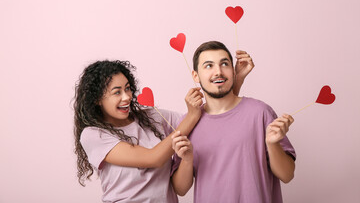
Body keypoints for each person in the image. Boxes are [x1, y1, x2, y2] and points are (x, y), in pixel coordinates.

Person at [73, 56, 251, 203]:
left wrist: (235, 83)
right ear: (97, 99)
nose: (127, 97)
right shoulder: (93, 135)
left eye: (128, 89)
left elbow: (206, 119)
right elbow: (154, 158)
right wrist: (191, 116)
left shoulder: (151, 117)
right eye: (117, 92)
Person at [171, 41, 296, 203]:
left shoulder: (260, 112)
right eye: (208, 66)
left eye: (224, 64)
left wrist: (272, 145)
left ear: (233, 71)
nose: (218, 72)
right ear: (196, 75)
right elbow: (180, 189)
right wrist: (187, 159)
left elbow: (287, 175)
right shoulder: (188, 123)